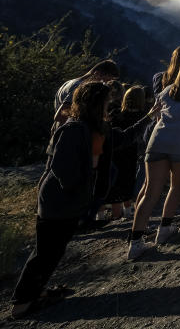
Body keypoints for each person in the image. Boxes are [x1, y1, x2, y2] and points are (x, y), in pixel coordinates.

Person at [11, 82, 110, 319]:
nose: (110, 105)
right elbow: (62, 169)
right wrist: (79, 188)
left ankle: (33, 293)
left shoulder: (87, 127)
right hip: (59, 201)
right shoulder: (73, 129)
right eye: (106, 102)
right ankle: (21, 303)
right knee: (46, 252)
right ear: (96, 104)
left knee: (52, 251)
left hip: (66, 201)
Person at [128, 52, 180, 258]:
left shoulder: (167, 90)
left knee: (150, 192)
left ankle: (135, 241)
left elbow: (156, 115)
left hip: (158, 141)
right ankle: (164, 229)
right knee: (176, 186)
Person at [106, 86, 147, 220]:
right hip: (132, 154)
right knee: (128, 181)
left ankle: (115, 214)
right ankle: (128, 212)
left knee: (116, 184)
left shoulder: (116, 114)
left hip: (115, 153)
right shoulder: (143, 117)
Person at [52, 59, 120, 127]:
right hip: (66, 132)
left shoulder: (70, 82)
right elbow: (61, 116)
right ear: (97, 73)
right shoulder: (78, 87)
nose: (104, 84)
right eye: (105, 80)